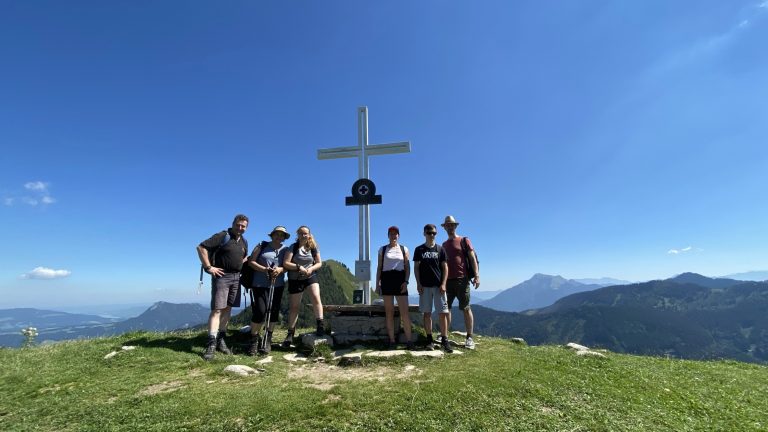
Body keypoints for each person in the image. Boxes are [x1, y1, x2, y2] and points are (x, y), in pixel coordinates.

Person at [196, 214, 249, 360]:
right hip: (222, 276)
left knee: (228, 308)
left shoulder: (244, 241)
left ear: (246, 228)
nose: (240, 228)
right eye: (238, 225)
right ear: (233, 224)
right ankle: (211, 343)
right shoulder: (222, 236)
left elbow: (242, 258)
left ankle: (221, 339)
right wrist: (209, 267)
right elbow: (201, 247)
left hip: (236, 277)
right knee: (217, 309)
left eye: (243, 226)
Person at [245, 226, 290, 356]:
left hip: (277, 284)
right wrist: (265, 269)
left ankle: (267, 340)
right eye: (277, 234)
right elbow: (251, 262)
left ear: (284, 237)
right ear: (272, 235)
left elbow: (287, 266)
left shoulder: (286, 249)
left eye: (282, 235)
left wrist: (281, 270)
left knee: (274, 312)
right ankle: (254, 340)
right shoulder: (262, 245)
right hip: (259, 284)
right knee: (260, 311)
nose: (279, 236)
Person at [282, 225, 324, 347]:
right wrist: (298, 267)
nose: (303, 235)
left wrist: (311, 269)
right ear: (297, 235)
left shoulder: (313, 247)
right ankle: (290, 333)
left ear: (309, 235)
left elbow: (319, 263)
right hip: (295, 278)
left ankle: (320, 325)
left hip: (310, 276)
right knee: (294, 306)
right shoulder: (293, 247)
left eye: (305, 233)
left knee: (316, 297)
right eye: (301, 233)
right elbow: (286, 263)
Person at [441, 215, 480, 349]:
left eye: (452, 225)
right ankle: (444, 334)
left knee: (466, 308)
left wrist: (477, 275)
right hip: (447, 281)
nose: (450, 227)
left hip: (462, 279)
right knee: (447, 309)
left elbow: (472, 257)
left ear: (455, 226)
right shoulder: (444, 245)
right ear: (444, 227)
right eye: (447, 225)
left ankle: (469, 337)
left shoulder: (464, 240)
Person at [413, 224, 453, 353]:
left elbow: (445, 267)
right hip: (425, 286)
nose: (432, 235)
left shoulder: (440, 249)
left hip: (438, 286)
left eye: (434, 233)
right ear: (424, 233)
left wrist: (444, 284)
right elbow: (416, 268)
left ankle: (444, 340)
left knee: (443, 313)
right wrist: (418, 283)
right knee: (427, 313)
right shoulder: (419, 250)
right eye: (429, 233)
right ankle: (429, 339)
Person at [375, 226, 414, 350]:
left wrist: (406, 282)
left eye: (396, 233)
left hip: (400, 281)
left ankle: (409, 341)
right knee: (389, 313)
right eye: (391, 234)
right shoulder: (383, 249)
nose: (394, 236)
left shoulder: (404, 249)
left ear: (399, 235)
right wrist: (377, 284)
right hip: (386, 280)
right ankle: (392, 341)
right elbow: (379, 267)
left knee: (405, 313)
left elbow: (407, 267)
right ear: (388, 235)